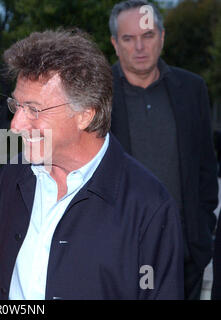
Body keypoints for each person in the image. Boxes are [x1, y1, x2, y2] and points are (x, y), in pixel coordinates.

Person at [0, 28, 184, 300]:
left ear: (84, 115)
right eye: (16, 106)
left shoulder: (148, 206)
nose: (16, 124)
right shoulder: (12, 175)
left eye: (33, 109)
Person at [109, 0, 218, 300]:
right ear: (115, 44)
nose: (139, 47)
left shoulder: (192, 89)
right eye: (129, 39)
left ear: (162, 37)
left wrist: (201, 239)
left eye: (148, 35)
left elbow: (206, 170)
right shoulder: (98, 96)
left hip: (185, 257)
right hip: (118, 257)